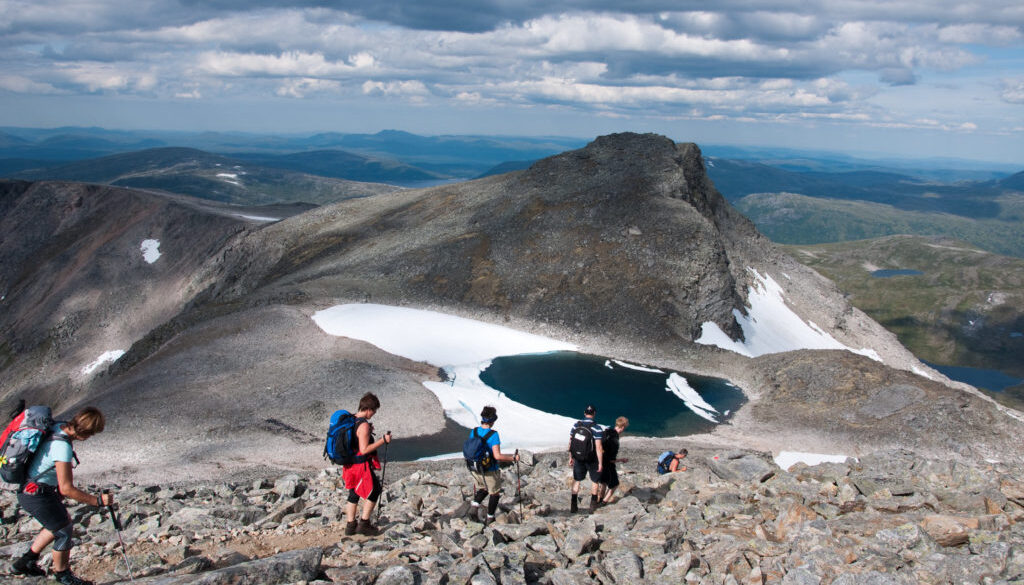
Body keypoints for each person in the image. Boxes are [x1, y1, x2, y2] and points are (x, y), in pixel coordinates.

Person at [10, 407, 112, 585]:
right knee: (64, 529)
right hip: (36, 494)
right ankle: (63, 575)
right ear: (86, 433)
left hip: (32, 490)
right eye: (91, 434)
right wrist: (97, 501)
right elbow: (67, 489)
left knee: (55, 524)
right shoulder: (62, 446)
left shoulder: (58, 427)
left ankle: (25, 562)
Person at [342, 392, 392, 537]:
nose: (374, 414)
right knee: (375, 489)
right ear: (369, 409)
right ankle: (364, 523)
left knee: (354, 492)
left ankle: (350, 526)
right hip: (360, 465)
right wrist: (383, 440)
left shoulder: (352, 419)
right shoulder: (363, 425)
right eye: (374, 411)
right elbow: (364, 450)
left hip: (350, 464)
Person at [464, 406, 519, 525]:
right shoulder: (493, 435)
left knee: (483, 488)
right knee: (494, 492)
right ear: (492, 420)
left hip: (474, 467)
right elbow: (497, 456)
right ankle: (490, 518)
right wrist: (513, 458)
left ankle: (474, 507)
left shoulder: (473, 431)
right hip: (489, 469)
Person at [568, 404, 604, 513]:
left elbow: (571, 442)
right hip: (592, 459)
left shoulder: (576, 425)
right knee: (594, 481)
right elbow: (598, 447)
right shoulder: (596, 428)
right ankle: (592, 506)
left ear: (585, 413)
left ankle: (573, 505)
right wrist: (600, 463)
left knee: (577, 479)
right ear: (594, 414)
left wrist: (571, 457)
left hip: (578, 457)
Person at [598, 416, 629, 505]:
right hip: (608, 465)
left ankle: (599, 500)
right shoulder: (615, 440)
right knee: (614, 484)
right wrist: (621, 460)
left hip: (600, 462)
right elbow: (611, 459)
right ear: (622, 427)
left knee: (603, 482)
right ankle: (604, 502)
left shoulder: (606, 431)